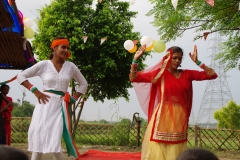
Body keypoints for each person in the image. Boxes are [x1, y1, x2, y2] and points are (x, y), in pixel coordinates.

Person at [129, 45, 218, 160]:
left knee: (176, 147)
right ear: (167, 58)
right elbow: (134, 78)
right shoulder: (159, 74)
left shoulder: (187, 74)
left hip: (179, 117)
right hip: (162, 116)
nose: (177, 61)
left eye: (180, 58)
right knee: (159, 146)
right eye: (174, 57)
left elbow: (212, 75)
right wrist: (135, 60)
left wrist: (198, 62)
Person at [17, 37, 88, 160]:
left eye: (67, 48)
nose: (66, 50)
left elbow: (84, 83)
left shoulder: (70, 66)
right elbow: (21, 76)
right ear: (54, 48)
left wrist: (74, 98)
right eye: (63, 47)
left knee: (55, 139)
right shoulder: (44, 65)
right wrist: (35, 90)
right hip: (44, 104)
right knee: (39, 136)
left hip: (61, 107)